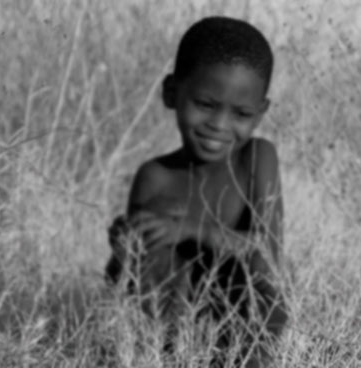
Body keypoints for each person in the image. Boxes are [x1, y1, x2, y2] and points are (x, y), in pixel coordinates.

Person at [105, 15, 287, 368]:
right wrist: (123, 253)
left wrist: (193, 230)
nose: (219, 125)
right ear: (171, 92)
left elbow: (268, 261)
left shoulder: (256, 159)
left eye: (241, 113)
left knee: (252, 283)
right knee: (152, 243)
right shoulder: (156, 176)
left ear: (261, 113)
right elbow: (125, 286)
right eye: (205, 104)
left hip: (248, 341)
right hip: (175, 340)